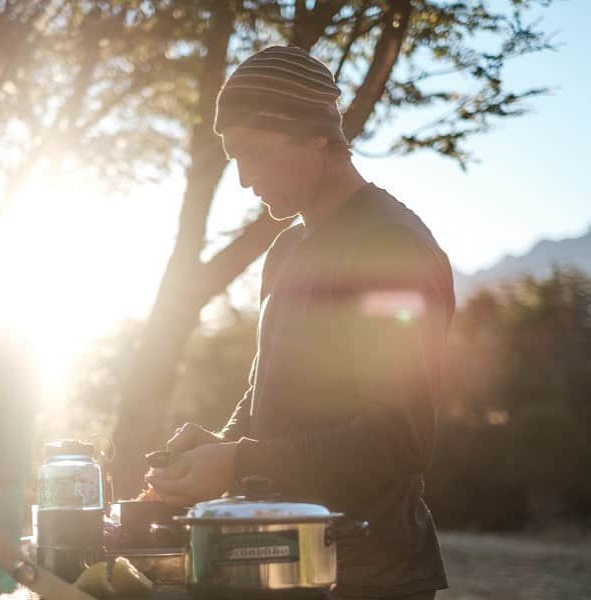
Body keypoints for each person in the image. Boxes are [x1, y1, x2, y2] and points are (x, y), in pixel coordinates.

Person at [147, 46, 454, 600]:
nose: (243, 181)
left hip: (369, 575)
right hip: (282, 568)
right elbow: (271, 397)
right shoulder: (287, 249)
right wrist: (218, 446)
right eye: (232, 157)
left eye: (257, 154)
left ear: (318, 136)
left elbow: (396, 441)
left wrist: (236, 460)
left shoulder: (390, 249)